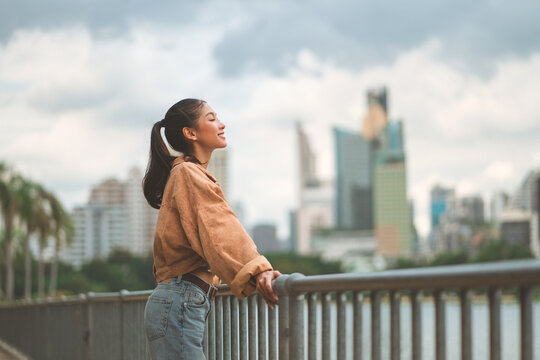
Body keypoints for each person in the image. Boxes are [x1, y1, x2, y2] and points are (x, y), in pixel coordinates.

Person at [142, 98, 281, 359]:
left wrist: (213, 281)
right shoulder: (188, 174)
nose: (221, 124)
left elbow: (203, 237)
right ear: (190, 133)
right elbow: (219, 230)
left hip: (178, 301)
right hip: (180, 301)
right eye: (211, 118)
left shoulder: (184, 173)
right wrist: (259, 269)